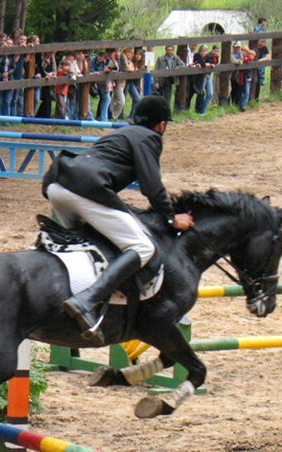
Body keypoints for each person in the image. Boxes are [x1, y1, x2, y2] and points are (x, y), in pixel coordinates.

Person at [43, 95, 194, 343]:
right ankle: (87, 301)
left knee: (88, 246)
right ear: (162, 125)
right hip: (85, 189)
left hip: (58, 185)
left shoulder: (122, 133)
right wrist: (170, 218)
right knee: (142, 247)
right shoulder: (149, 138)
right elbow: (152, 186)